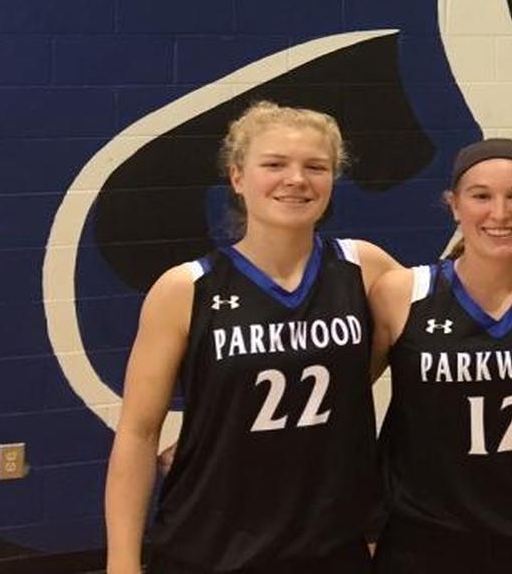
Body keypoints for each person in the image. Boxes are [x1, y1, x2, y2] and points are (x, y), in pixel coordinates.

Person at [104, 101, 401, 574]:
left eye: (315, 167)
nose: (297, 179)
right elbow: (139, 434)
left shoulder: (365, 267)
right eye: (275, 164)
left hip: (331, 542)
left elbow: (454, 309)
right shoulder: (186, 288)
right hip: (211, 542)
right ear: (238, 177)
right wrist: (122, 563)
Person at [368, 138, 512, 574]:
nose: (499, 213)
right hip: (428, 536)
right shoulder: (401, 294)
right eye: (481, 196)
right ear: (454, 205)